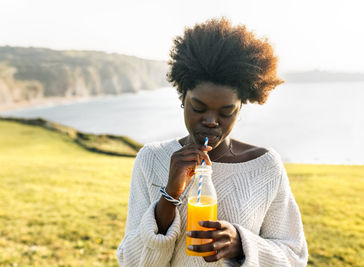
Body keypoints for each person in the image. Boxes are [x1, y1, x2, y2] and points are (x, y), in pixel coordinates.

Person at [117, 17, 308, 266]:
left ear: (241, 107)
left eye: (226, 112)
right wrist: (170, 195)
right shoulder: (151, 159)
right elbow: (132, 262)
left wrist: (242, 245)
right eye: (198, 107)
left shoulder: (265, 166)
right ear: (182, 98)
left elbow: (294, 257)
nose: (211, 121)